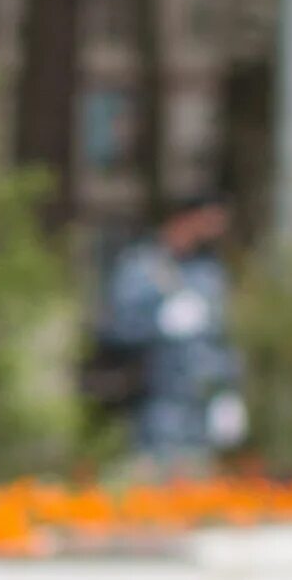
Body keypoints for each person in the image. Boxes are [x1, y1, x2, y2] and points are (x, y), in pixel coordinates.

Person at [99, 194, 244, 467]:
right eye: (208, 223)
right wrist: (157, 323)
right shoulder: (139, 268)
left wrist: (228, 392)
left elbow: (221, 340)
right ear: (184, 220)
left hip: (201, 410)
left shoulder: (209, 273)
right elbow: (113, 330)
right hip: (155, 407)